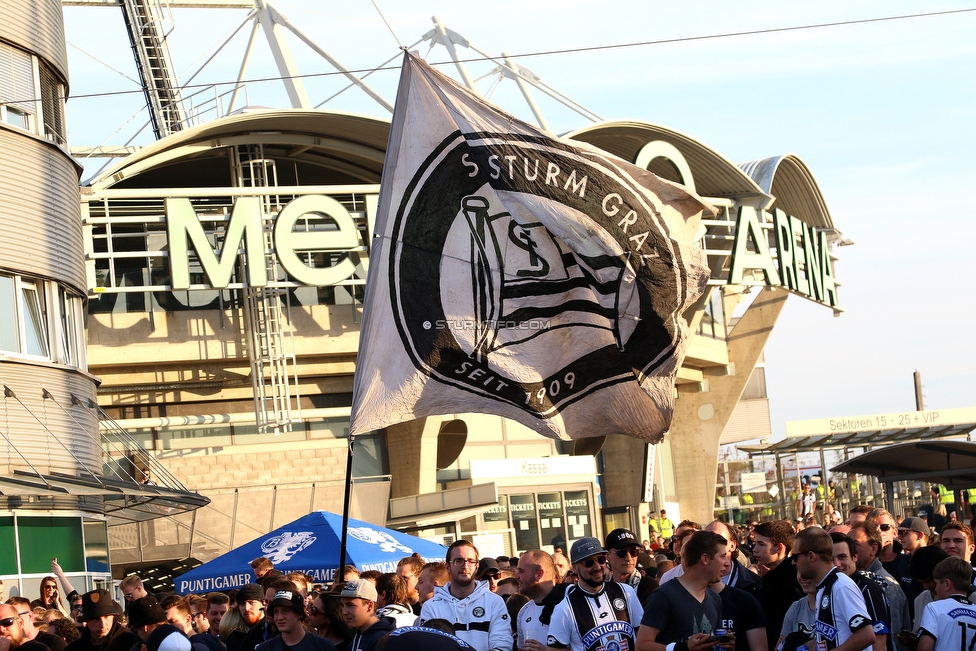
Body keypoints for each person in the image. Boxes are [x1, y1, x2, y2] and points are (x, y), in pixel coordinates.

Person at [635, 531, 729, 651]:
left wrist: (725, 644)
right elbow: (642, 646)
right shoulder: (664, 595)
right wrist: (681, 648)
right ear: (705, 559)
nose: (726, 563)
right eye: (722, 556)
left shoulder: (715, 599)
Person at [546, 537, 642, 651]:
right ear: (575, 567)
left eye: (601, 560)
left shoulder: (626, 592)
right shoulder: (564, 609)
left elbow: (641, 636)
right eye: (589, 562)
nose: (597, 567)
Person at [793, 528, 876, 651]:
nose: (793, 563)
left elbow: (867, 635)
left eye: (795, 557)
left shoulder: (842, 586)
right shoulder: (823, 586)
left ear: (811, 556)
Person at [419, 541, 510, 651]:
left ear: (477, 567)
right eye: (458, 561)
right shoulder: (431, 606)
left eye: (471, 561)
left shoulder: (494, 602)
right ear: (448, 566)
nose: (465, 566)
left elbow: (502, 646)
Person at [848, 522, 909, 651]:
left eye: (855, 544)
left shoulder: (886, 586)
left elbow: (892, 637)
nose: (849, 549)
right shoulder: (850, 580)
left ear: (874, 549)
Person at [829, 533, 890, 651]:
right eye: (831, 559)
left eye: (842, 557)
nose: (836, 564)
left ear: (854, 557)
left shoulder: (869, 589)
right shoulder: (829, 587)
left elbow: (880, 643)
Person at [753, 520, 803, 651]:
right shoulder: (770, 577)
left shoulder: (794, 581)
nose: (755, 549)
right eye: (755, 543)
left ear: (779, 548)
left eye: (761, 544)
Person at [916, 557, 976, 651]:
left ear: (947, 584)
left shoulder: (934, 608)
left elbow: (925, 647)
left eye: (937, 583)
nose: (935, 589)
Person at [64, 589, 142, 651]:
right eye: (96, 619)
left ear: (113, 616)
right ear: (86, 620)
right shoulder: (75, 648)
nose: (102, 624)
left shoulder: (133, 645)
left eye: (106, 617)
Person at [257, 590, 335, 651]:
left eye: (285, 611)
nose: (279, 617)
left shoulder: (323, 646)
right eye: (276, 612)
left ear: (300, 614)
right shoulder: (265, 648)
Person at [514, 551, 559, 651]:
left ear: (539, 574)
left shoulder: (568, 606)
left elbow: (585, 646)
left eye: (521, 571)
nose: (516, 576)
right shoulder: (523, 612)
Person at [605, 529, 657, 604]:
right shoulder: (604, 588)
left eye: (634, 552)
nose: (628, 558)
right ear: (607, 556)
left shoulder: (648, 586)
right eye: (621, 552)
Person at [340, 580, 394, 651]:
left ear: (370, 606)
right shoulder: (359, 634)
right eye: (342, 605)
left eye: (350, 605)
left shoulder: (382, 639)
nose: (344, 612)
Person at [160, 595, 225, 651]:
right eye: (164, 623)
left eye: (172, 621)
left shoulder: (196, 646)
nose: (166, 627)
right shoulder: (212, 640)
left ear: (188, 619)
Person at [225, 585, 266, 651]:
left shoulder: (271, 630)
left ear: (263, 603)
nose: (246, 608)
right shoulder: (235, 638)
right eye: (242, 604)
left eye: (252, 603)